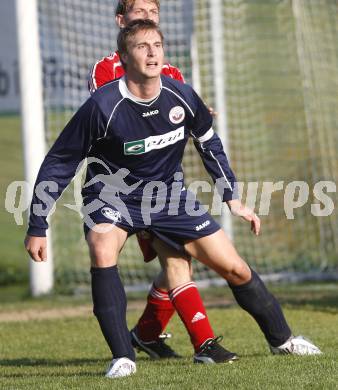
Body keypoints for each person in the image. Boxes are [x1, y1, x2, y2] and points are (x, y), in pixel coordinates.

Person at [25, 20, 321, 379]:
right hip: (111, 195)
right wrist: (38, 225)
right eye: (141, 47)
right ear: (124, 57)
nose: (151, 53)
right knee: (102, 246)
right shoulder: (103, 106)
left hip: (167, 196)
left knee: (234, 267)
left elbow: (208, 142)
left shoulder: (181, 95)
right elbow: (60, 161)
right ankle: (123, 358)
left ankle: (283, 340)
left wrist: (232, 197)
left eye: (157, 46)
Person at [88, 0, 226, 363]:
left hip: (163, 184)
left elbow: (181, 114)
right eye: (139, 13)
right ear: (121, 20)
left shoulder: (173, 73)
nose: (148, 19)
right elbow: (115, 117)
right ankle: (191, 344)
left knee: (179, 259)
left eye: (154, 13)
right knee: (174, 259)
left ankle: (152, 335)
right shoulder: (105, 69)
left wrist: (196, 114)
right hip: (121, 188)